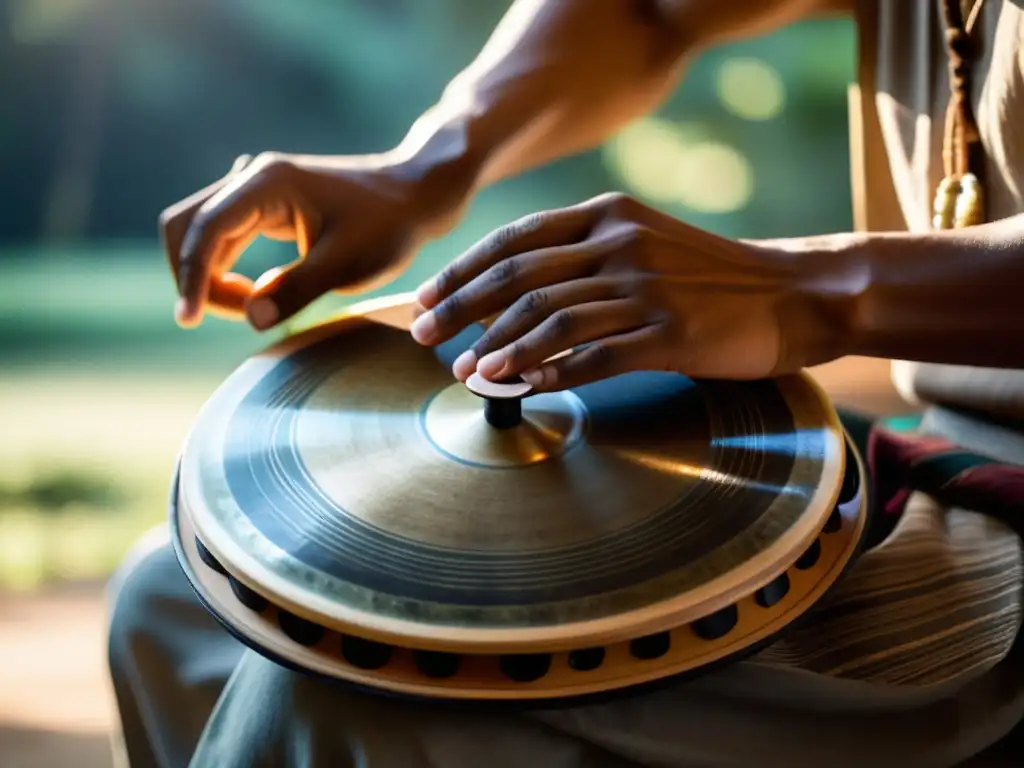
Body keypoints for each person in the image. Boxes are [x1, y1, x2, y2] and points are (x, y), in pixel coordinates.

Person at [108, 0, 1024, 765]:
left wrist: (814, 291)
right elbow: (646, 9)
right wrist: (430, 167)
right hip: (941, 459)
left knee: (342, 702)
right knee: (169, 601)